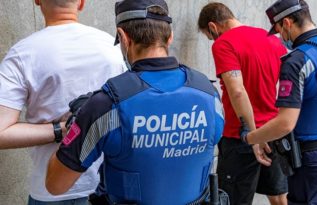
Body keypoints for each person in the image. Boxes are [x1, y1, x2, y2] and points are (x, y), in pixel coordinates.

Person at [45, 0, 225, 204]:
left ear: (123, 37)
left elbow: (55, 185)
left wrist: (76, 123)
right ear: (170, 36)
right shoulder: (209, 95)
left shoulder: (105, 105)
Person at [0, 0, 124, 204]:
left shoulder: (22, 54)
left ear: (37, 1)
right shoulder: (112, 47)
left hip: (50, 190)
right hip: (107, 186)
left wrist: (61, 130)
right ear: (82, 3)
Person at [242, 0, 317, 204]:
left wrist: (251, 138)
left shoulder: (297, 61)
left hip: (315, 159)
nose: (281, 38)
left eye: (279, 31)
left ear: (287, 22)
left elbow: (285, 123)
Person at [197, 3, 288, 205]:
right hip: (273, 130)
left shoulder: (223, 44)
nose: (212, 39)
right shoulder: (270, 38)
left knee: (232, 200)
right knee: (279, 196)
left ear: (213, 26)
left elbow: (237, 90)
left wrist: (252, 135)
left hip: (241, 136)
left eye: (209, 35)